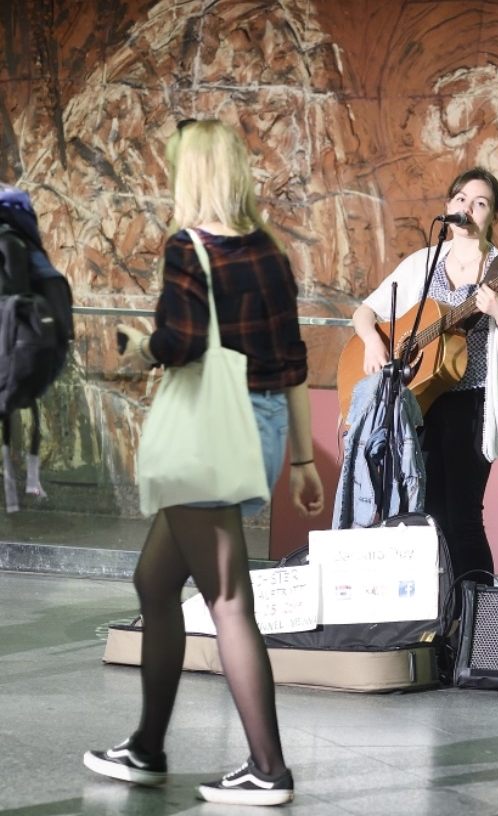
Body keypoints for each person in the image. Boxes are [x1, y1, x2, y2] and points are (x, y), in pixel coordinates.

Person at [83, 119, 324, 806]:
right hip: (260, 427)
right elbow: (293, 361)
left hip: (212, 431)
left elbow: (183, 342)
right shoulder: (270, 252)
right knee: (154, 582)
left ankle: (268, 769)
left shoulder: (189, 248)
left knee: (227, 599)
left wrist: (141, 348)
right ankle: (146, 747)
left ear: (191, 173)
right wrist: (302, 459)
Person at [351, 167, 498, 587]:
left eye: (481, 203)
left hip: (472, 402)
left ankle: (476, 613)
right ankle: (439, 612)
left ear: (493, 216)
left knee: (464, 514)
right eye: (461, 199)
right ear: (448, 206)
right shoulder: (423, 263)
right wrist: (373, 342)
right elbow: (365, 312)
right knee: (427, 513)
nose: (468, 208)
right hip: (420, 402)